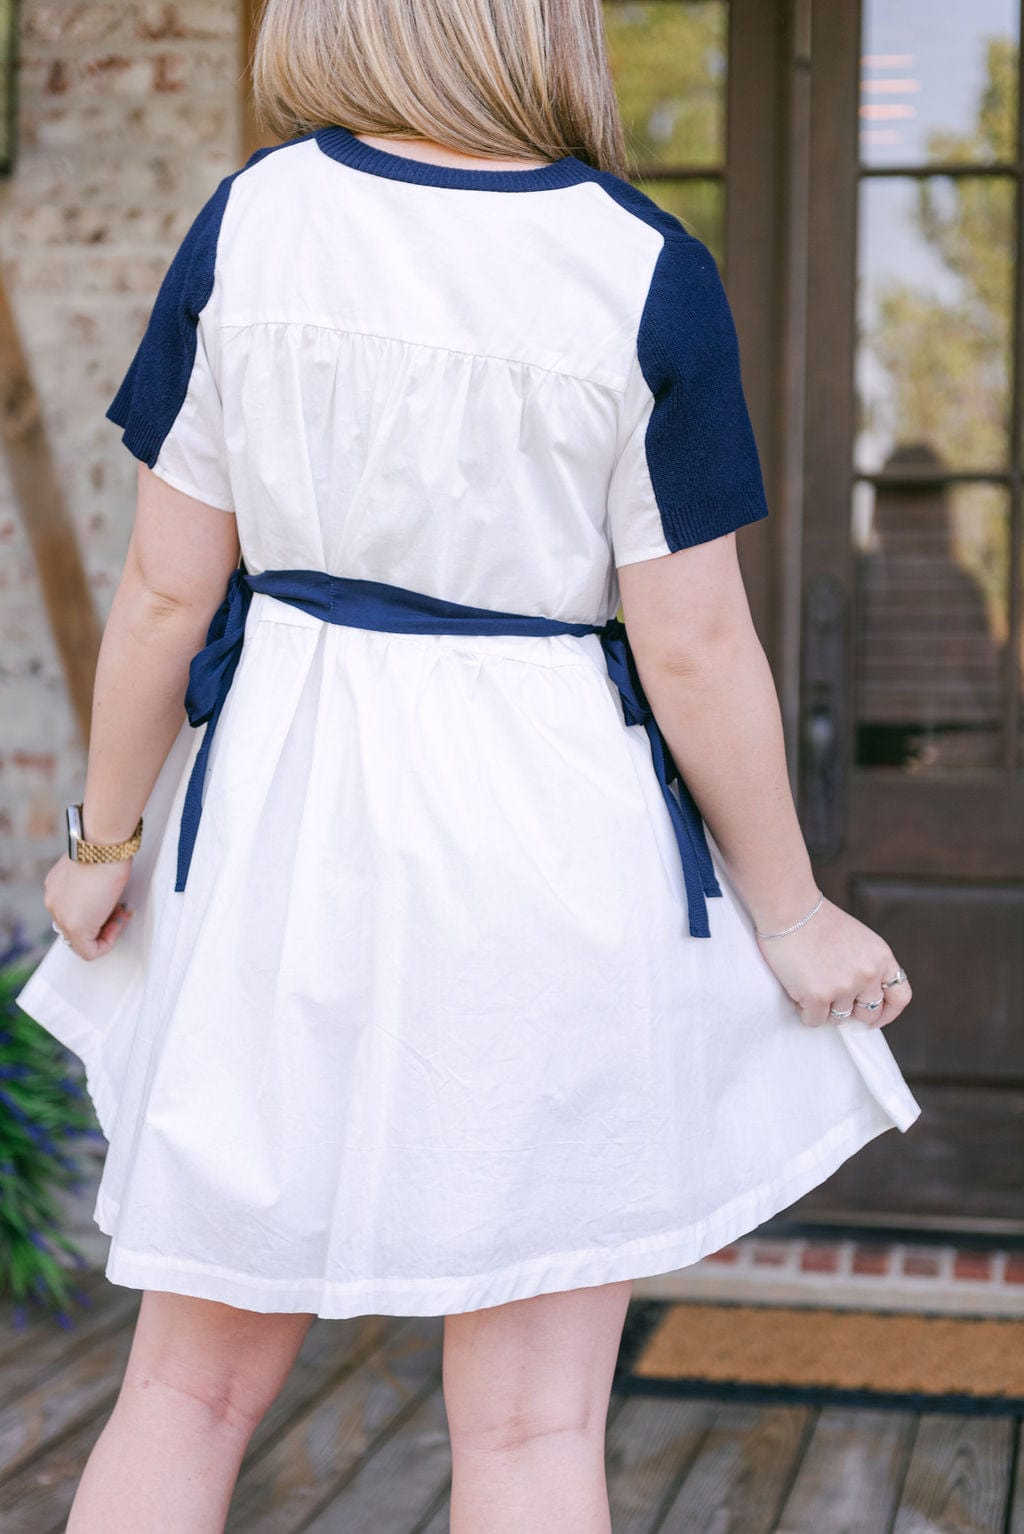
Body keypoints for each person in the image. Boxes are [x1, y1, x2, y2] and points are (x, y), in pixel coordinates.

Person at [15, 0, 920, 1528]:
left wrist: (100, 849)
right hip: (546, 844)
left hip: (279, 846)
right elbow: (697, 645)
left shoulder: (254, 224)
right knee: (531, 1429)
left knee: (184, 1391)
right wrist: (790, 909)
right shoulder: (642, 268)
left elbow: (165, 594)